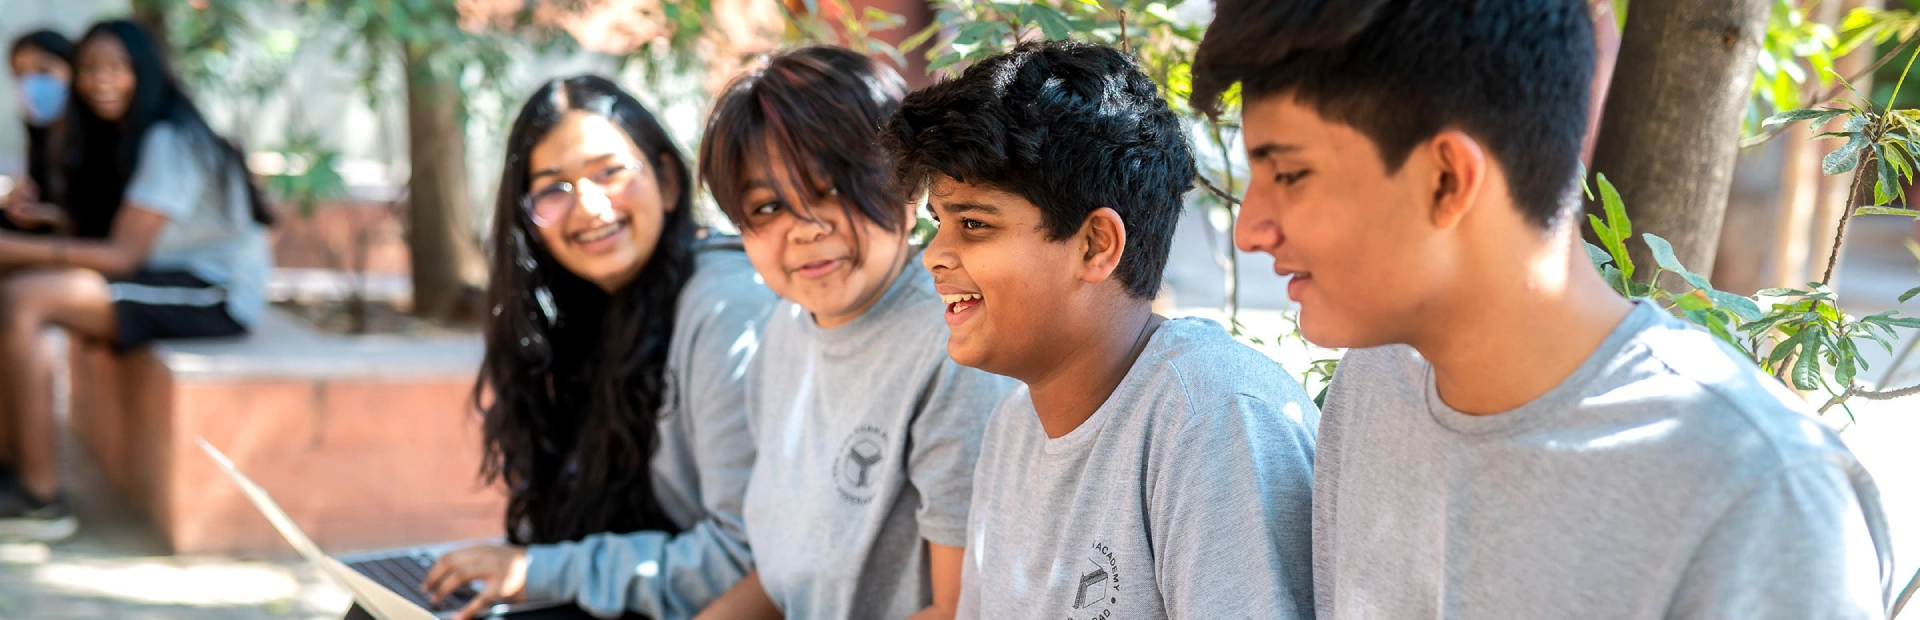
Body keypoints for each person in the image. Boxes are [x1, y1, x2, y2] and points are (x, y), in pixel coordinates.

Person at [1191, 1, 1895, 617]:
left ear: (1449, 178)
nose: (1252, 226)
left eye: (1289, 174)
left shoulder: (1762, 497)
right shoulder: (1378, 385)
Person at [879, 40, 1320, 620]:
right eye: (940, 224)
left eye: (973, 223)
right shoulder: (1014, 424)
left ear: (1095, 245)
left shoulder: (1213, 421)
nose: (934, 255)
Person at [403, 76, 778, 620]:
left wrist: (537, 572)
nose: (590, 207)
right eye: (553, 188)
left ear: (668, 182)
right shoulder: (581, 309)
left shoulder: (726, 304)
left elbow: (747, 557)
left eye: (609, 172)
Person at [690, 45, 1015, 620]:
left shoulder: (955, 350)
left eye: (832, 188)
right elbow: (782, 578)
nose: (806, 228)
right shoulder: (783, 331)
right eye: (766, 207)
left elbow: (961, 609)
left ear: (908, 186)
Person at [0, 20, 274, 542]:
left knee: (24, 295)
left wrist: (12, 248)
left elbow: (123, 257)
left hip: (212, 293)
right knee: (15, 288)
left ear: (143, 73)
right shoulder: (130, 134)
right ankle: (13, 467)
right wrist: (49, 224)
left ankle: (40, 498)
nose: (101, 80)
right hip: (169, 273)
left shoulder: (169, 138)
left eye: (116, 68)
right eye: (89, 69)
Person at [5, 29, 83, 236]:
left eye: (44, 70)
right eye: (20, 74)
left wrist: (56, 218)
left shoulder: (100, 136)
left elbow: (107, 233)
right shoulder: (41, 138)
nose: (30, 84)